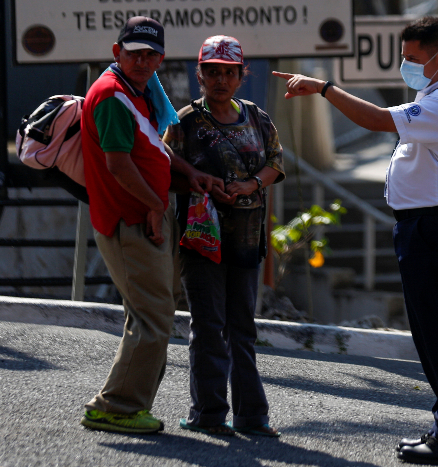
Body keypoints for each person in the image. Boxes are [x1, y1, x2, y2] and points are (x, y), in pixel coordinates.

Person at [274, 16, 438, 466]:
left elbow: (377, 119)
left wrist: (324, 88)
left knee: (437, 334)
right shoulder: (435, 94)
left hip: (433, 227)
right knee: (429, 333)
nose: (406, 66)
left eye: (412, 58)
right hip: (424, 226)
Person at [79, 16, 215, 434]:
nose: (142, 61)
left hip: (148, 216)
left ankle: (128, 403)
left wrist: (187, 172)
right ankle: (116, 407)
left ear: (160, 59)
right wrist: (155, 206)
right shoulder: (112, 95)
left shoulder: (138, 91)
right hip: (131, 220)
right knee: (153, 316)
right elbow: (118, 165)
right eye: (134, 53)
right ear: (117, 52)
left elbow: (153, 145)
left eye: (150, 54)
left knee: (153, 310)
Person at [164, 35, 285, 437]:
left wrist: (252, 184)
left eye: (228, 73)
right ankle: (210, 412)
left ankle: (252, 416)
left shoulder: (256, 117)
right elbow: (164, 165)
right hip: (202, 240)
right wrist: (200, 183)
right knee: (208, 325)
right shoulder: (184, 121)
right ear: (200, 75)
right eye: (212, 72)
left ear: (240, 76)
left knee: (242, 329)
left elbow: (275, 161)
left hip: (247, 241)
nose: (220, 80)